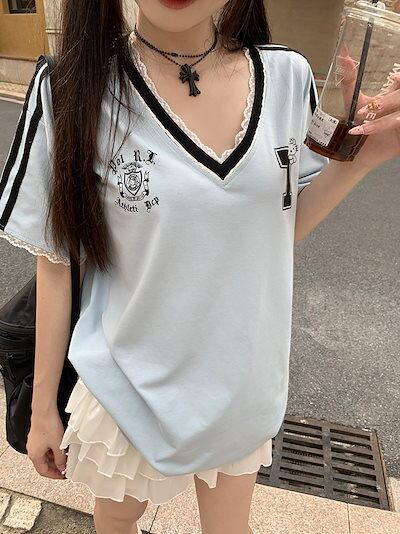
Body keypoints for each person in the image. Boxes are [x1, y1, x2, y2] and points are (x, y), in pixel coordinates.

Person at [0, 1, 399, 533]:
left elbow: (277, 226)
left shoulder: (286, 78)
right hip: (125, 384)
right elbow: (57, 261)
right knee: (117, 520)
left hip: (241, 381)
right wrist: (43, 410)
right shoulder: (72, 87)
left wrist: (361, 162)